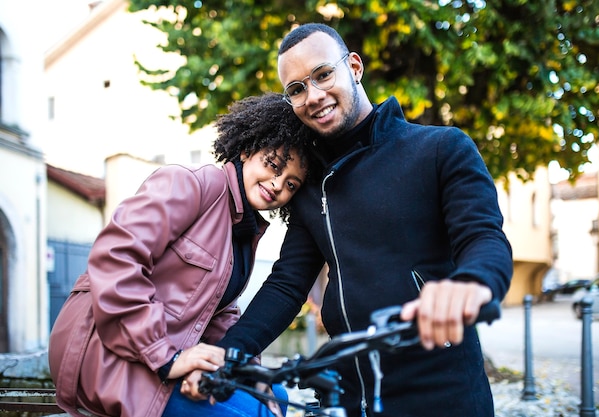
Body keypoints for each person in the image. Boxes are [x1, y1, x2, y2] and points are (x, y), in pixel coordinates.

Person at [190, 23, 513, 417]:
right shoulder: (311, 185)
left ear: (354, 67)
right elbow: (288, 283)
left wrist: (472, 284)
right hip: (344, 396)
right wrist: (228, 353)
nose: (314, 96)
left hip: (440, 390)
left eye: (323, 74)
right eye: (297, 89)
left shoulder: (442, 149)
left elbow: (483, 237)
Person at [48, 92, 317, 417]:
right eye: (272, 165)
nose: (276, 185)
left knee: (275, 396)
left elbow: (218, 314)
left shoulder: (246, 228)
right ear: (247, 150)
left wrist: (241, 368)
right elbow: (116, 259)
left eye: (291, 184)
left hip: (161, 355)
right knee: (252, 415)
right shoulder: (192, 185)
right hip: (106, 351)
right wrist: (166, 358)